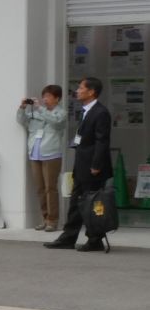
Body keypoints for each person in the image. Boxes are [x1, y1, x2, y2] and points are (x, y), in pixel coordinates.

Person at [46, 76, 112, 252]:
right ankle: (68, 238)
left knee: (93, 204)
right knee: (76, 203)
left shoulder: (101, 112)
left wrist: (96, 165)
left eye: (81, 88)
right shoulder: (86, 111)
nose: (77, 91)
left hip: (93, 168)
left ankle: (95, 239)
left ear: (91, 92)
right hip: (81, 165)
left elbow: (102, 141)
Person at [17, 84, 67, 231]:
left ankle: (53, 220)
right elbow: (21, 121)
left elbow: (55, 122)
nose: (45, 99)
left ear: (57, 98)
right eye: (44, 96)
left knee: (50, 188)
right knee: (40, 189)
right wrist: (22, 107)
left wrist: (40, 108)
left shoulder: (61, 113)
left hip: (51, 155)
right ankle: (45, 219)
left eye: (48, 96)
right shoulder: (37, 112)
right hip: (35, 154)